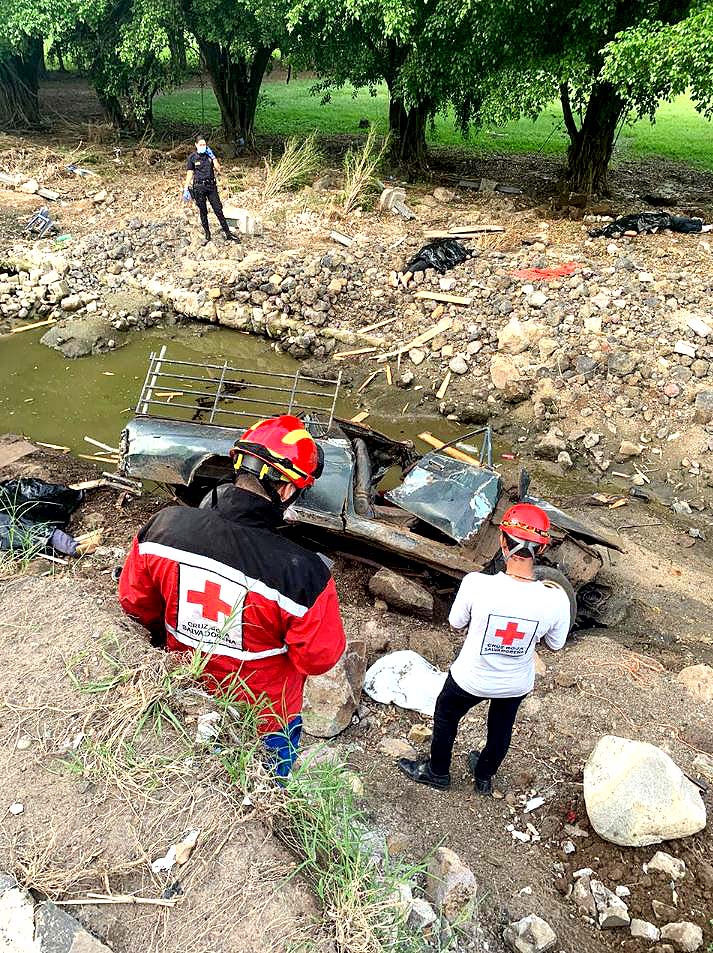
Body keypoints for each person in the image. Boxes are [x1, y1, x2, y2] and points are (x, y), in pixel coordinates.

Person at [118, 415, 346, 778]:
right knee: (264, 792)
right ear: (287, 491)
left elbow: (135, 603)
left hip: (184, 695)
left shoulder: (162, 528)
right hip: (264, 717)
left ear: (238, 465)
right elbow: (318, 658)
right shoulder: (303, 574)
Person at [398, 503, 571, 795]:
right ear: (541, 549)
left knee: (446, 715)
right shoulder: (556, 599)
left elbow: (456, 623)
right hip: (514, 683)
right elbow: (556, 644)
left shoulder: (476, 584)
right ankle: (484, 776)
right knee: (501, 728)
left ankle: (437, 772)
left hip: (471, 678)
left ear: (502, 541)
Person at [183, 136, 240, 245]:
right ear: (196, 145)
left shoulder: (209, 156)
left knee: (218, 210)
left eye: (204, 145)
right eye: (200, 145)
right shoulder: (192, 158)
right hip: (199, 187)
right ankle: (207, 235)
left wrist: (213, 157)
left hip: (211, 187)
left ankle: (228, 233)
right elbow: (189, 173)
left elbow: (219, 168)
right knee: (203, 211)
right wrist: (186, 188)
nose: (203, 147)